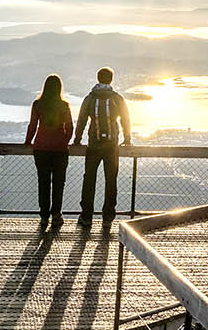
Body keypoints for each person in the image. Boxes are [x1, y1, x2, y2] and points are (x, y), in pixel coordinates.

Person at [72, 66, 132, 227]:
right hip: (112, 146)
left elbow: (82, 119)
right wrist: (127, 137)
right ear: (111, 80)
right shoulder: (117, 98)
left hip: (94, 144)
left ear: (98, 79)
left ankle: (86, 217)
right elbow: (125, 118)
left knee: (89, 179)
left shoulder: (90, 98)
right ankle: (107, 218)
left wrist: (77, 139)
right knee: (111, 180)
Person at [24, 73, 74, 228]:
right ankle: (56, 215)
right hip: (60, 150)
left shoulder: (37, 104)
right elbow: (70, 127)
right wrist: (64, 141)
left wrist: (27, 142)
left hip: (41, 149)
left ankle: (44, 216)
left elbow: (32, 125)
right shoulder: (64, 105)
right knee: (59, 183)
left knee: (43, 182)